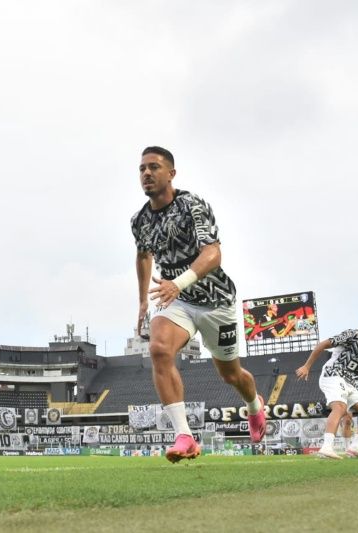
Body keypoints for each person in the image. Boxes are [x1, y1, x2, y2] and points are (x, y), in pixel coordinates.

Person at [131, 146, 266, 463]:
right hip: (175, 299)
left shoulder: (192, 205)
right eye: (142, 168)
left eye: (154, 167)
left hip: (216, 301)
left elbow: (213, 253)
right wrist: (142, 301)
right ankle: (184, 436)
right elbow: (143, 255)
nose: (147, 173)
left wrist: (178, 283)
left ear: (171, 173)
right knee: (159, 349)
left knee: (231, 374)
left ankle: (254, 405)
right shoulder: (139, 220)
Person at [295, 308, 358, 459]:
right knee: (340, 407)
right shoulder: (352, 334)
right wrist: (307, 366)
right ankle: (326, 447)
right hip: (333, 374)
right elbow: (322, 345)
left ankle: (355, 447)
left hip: (351, 383)